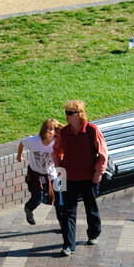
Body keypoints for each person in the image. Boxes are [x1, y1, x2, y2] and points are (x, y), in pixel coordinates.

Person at [53, 100, 108, 257]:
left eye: (70, 113)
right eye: (66, 112)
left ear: (79, 114)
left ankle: (94, 234)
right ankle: (68, 245)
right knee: (68, 211)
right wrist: (60, 168)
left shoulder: (91, 130)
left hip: (88, 176)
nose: (66, 116)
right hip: (70, 176)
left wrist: (99, 172)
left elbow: (103, 152)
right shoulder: (64, 133)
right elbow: (56, 151)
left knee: (91, 208)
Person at [16, 117, 64, 227]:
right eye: (50, 129)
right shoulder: (33, 141)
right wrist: (19, 156)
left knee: (60, 200)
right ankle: (29, 208)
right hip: (36, 175)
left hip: (53, 175)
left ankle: (63, 224)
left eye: (54, 129)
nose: (51, 132)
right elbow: (22, 143)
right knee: (37, 198)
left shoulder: (57, 142)